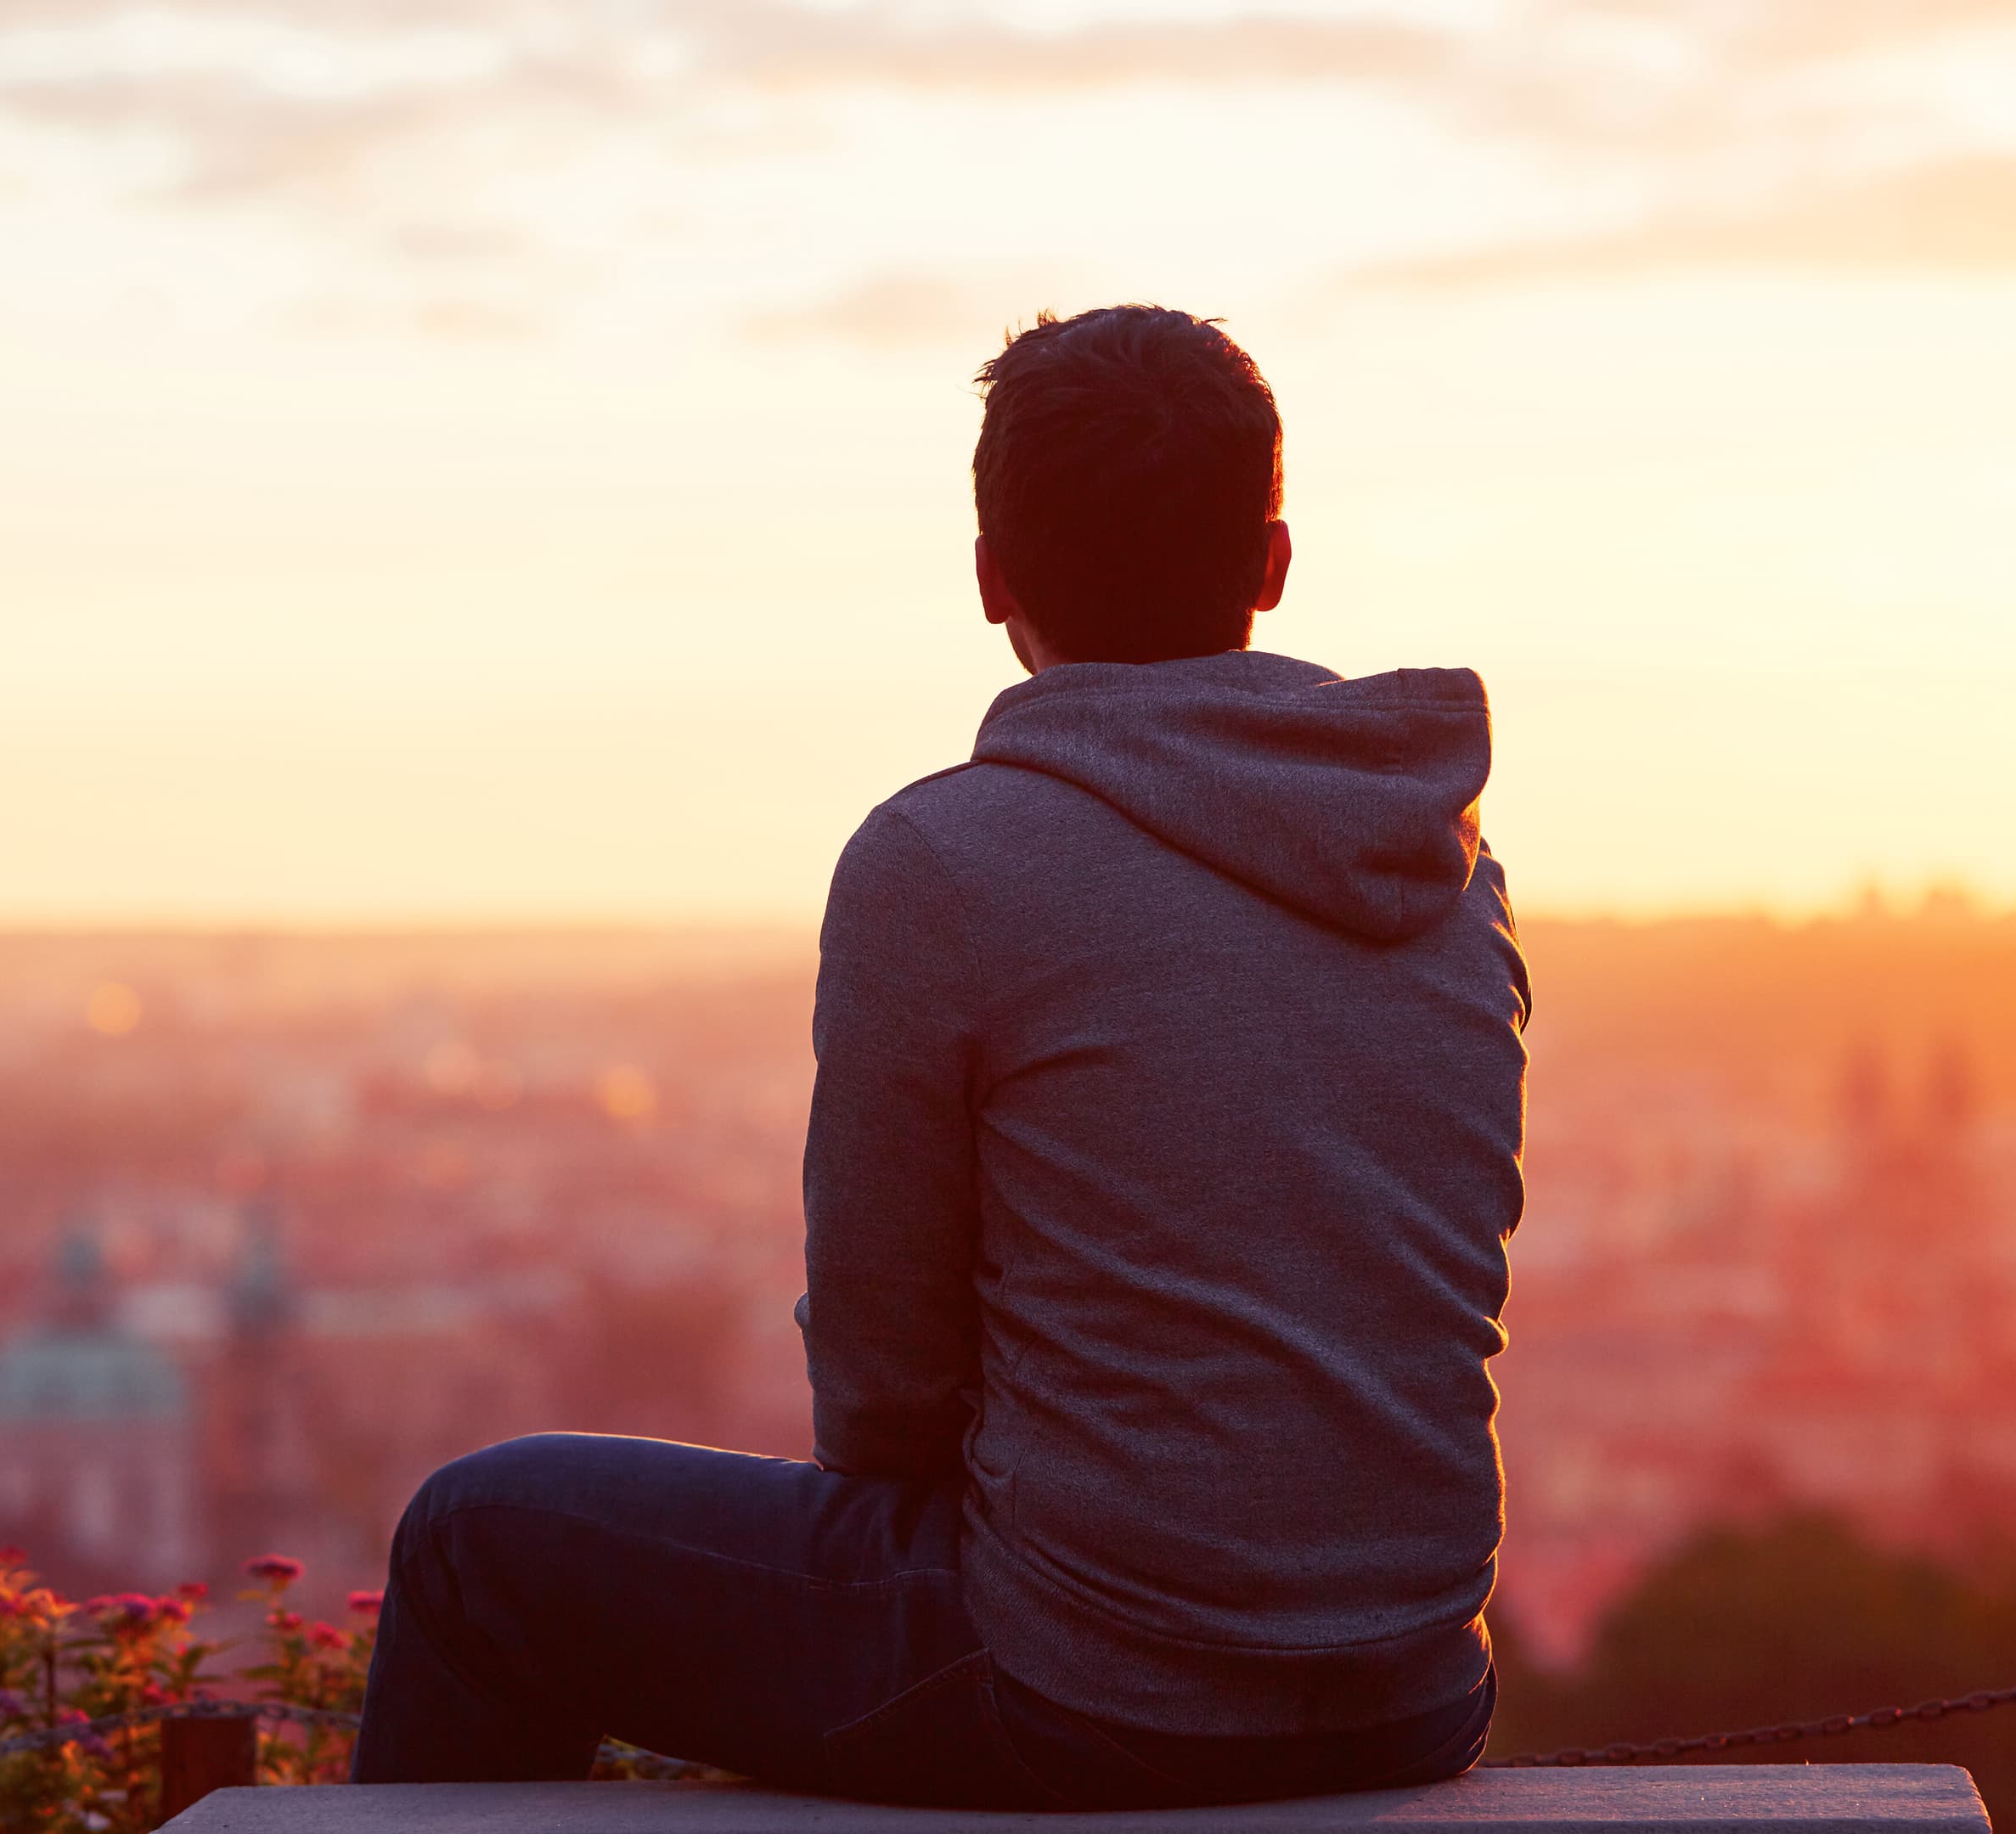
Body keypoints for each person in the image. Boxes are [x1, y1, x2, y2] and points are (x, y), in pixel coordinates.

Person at [352, 304, 1529, 1808]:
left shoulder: (945, 861)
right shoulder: (1442, 858)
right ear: (1274, 561)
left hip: (1091, 1692)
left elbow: (887, 1377)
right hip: (1419, 1692)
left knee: (475, 1538)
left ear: (990, 581)